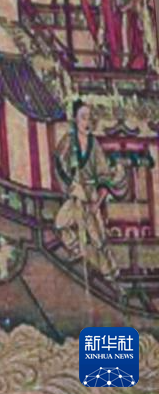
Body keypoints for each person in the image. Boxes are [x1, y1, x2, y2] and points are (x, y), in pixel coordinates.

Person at [53, 99, 126, 279]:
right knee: (60, 224)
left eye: (89, 118)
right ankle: (76, 249)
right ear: (75, 120)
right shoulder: (68, 141)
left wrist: (97, 202)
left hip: (91, 194)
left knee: (98, 237)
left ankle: (110, 273)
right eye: (83, 117)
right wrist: (71, 185)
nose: (87, 122)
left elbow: (103, 177)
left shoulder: (95, 145)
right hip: (75, 193)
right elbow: (59, 164)